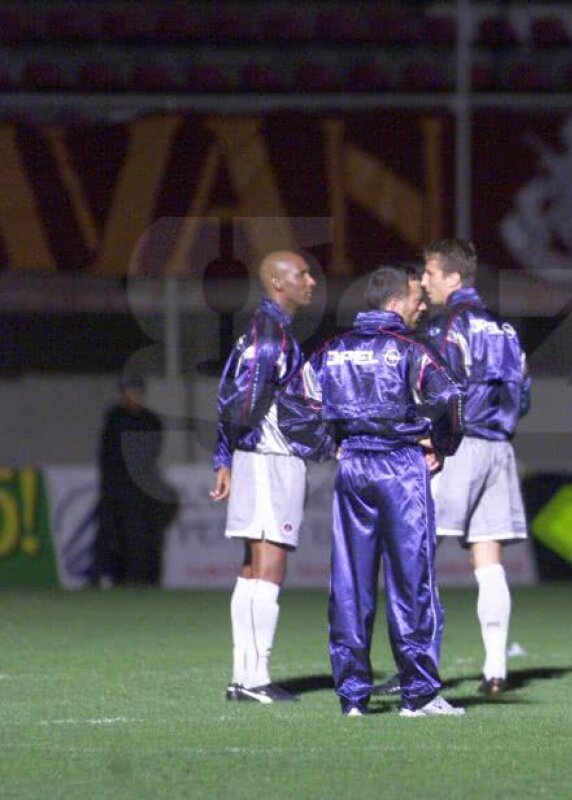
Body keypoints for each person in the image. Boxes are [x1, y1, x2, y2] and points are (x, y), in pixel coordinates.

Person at [281, 266, 466, 718]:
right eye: (415, 298)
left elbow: (291, 404)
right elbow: (449, 398)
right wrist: (440, 445)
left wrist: (329, 445)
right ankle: (418, 695)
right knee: (412, 582)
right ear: (396, 300)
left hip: (354, 468)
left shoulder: (332, 349)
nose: (421, 305)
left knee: (350, 583)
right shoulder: (410, 349)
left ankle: (353, 697)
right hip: (401, 466)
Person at [421, 238, 532, 696]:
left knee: (417, 555)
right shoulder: (505, 329)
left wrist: (431, 437)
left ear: (452, 276)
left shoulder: (445, 327)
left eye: (429, 271)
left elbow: (435, 391)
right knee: (488, 563)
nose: (423, 280)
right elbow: (522, 395)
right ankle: (495, 670)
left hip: (457, 447)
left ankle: (418, 665)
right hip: (499, 449)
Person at [210, 250, 316, 704]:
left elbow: (228, 398)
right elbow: (242, 401)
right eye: (303, 274)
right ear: (277, 282)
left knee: (253, 567)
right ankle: (254, 679)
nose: (312, 281)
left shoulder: (264, 331)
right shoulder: (271, 337)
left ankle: (245, 677)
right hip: (271, 457)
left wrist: (226, 456)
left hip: (255, 456)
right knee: (269, 565)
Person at [94, 374, 177, 587]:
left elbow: (151, 455)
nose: (131, 396)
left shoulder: (150, 420)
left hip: (141, 491)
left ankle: (144, 579)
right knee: (110, 535)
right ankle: (107, 578)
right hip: (116, 488)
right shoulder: (115, 417)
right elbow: (108, 456)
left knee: (142, 538)